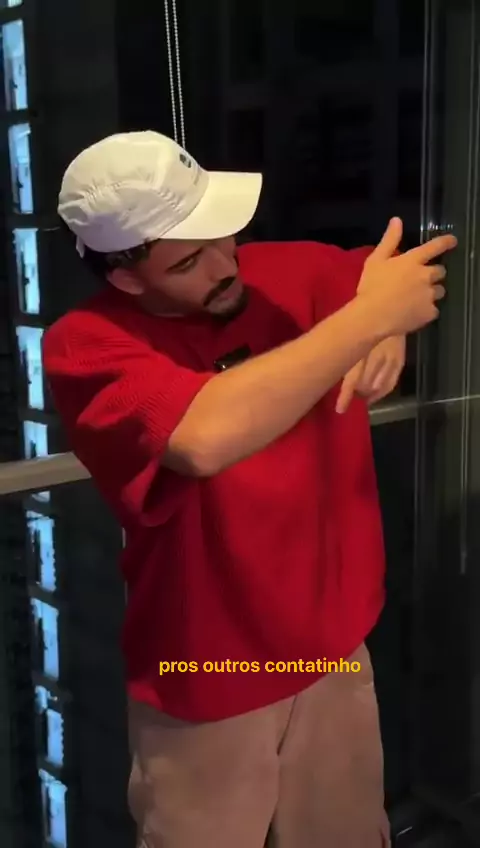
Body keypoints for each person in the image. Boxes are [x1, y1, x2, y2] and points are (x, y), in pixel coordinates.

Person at [42, 130, 457, 848]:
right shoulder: (87, 345)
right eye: (188, 260)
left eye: (222, 233)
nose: (225, 263)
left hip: (331, 644)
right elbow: (202, 438)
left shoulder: (280, 270)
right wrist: (366, 324)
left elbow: (384, 276)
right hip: (208, 666)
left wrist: (388, 332)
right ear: (126, 277)